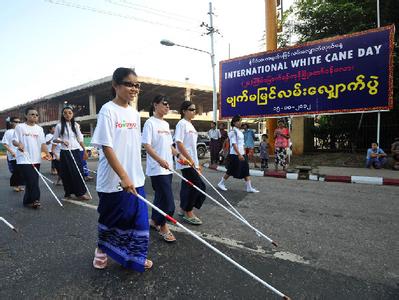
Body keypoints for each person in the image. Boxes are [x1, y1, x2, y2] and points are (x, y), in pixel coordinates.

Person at [90, 67, 152, 271]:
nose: (134, 89)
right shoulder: (107, 110)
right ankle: (102, 249)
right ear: (115, 86)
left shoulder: (134, 113)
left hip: (135, 177)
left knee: (140, 220)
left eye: (137, 85)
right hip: (113, 180)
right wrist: (123, 176)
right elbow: (106, 146)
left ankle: (134, 257)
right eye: (129, 84)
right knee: (114, 219)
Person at [142, 94, 186, 243]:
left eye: (169, 105)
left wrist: (179, 155)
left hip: (168, 167)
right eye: (164, 104)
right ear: (155, 105)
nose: (167, 107)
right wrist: (160, 160)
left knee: (160, 197)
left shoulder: (166, 125)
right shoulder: (150, 123)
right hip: (157, 168)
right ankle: (163, 227)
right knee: (168, 202)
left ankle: (155, 220)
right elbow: (146, 145)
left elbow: (169, 146)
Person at [12, 107, 52, 208]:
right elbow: (14, 141)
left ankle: (27, 201)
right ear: (26, 115)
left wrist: (47, 153)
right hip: (24, 158)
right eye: (32, 114)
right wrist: (18, 144)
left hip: (36, 158)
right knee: (31, 179)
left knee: (33, 180)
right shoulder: (20, 127)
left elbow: (42, 143)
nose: (34, 116)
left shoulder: (39, 129)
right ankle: (36, 199)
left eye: (36, 115)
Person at [175, 101, 206, 225]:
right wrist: (189, 159)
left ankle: (183, 209)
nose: (194, 111)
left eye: (194, 109)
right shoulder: (182, 124)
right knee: (198, 186)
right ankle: (189, 212)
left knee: (187, 186)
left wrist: (196, 164)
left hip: (193, 162)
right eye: (191, 109)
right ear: (184, 111)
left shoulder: (190, 125)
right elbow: (179, 142)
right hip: (186, 162)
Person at [53, 106, 90, 201]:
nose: (67, 115)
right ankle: (68, 193)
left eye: (70, 112)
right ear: (62, 114)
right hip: (65, 152)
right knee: (66, 173)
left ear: (73, 114)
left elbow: (80, 139)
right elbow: (55, 139)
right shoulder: (59, 125)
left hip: (76, 151)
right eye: (65, 113)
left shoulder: (76, 125)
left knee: (78, 172)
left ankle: (80, 193)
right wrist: (62, 141)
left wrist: (84, 150)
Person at [217, 115, 259, 193]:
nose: (240, 122)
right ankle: (221, 183)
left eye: (241, 121)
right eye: (239, 121)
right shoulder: (233, 132)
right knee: (231, 170)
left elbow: (242, 144)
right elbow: (234, 144)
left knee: (246, 169)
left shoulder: (239, 131)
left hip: (242, 154)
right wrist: (239, 154)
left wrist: (243, 153)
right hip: (235, 155)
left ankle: (249, 187)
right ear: (234, 122)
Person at [2, 116, 24, 192]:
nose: (18, 123)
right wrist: (12, 152)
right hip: (13, 156)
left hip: (21, 155)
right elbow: (4, 144)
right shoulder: (9, 132)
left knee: (20, 171)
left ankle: (18, 185)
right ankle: (15, 186)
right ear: (11, 123)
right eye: (16, 122)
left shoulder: (20, 131)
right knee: (16, 171)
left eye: (19, 122)